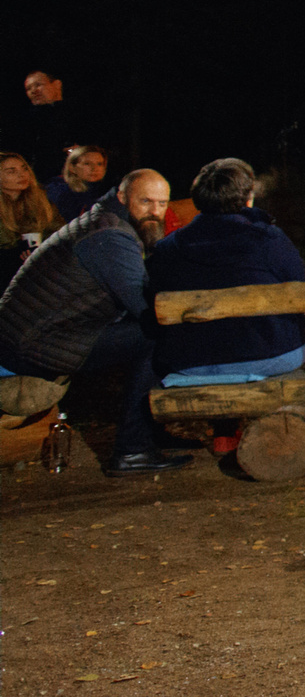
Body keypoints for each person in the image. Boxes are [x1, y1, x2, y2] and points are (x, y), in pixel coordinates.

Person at [0, 167, 189, 475]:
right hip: (33, 344)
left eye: (162, 203)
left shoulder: (106, 221)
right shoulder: (110, 235)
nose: (155, 212)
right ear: (123, 197)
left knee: (148, 333)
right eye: (145, 201)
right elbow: (142, 306)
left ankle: (149, 433)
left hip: (38, 334)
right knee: (155, 337)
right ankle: (133, 450)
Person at [148, 159, 305, 380]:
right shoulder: (268, 239)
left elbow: (154, 297)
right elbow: (301, 291)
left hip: (190, 362)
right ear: (249, 197)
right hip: (269, 357)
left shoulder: (168, 247)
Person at [2, 151, 63, 272]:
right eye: (11, 171)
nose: (22, 175)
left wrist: (44, 250)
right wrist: (17, 255)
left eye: (24, 169)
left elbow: (59, 233)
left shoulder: (40, 200)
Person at [46, 145, 110, 224]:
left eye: (99, 164)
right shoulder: (61, 191)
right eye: (87, 164)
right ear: (72, 168)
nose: (94, 168)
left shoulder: (103, 191)